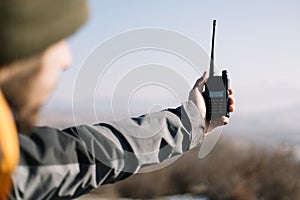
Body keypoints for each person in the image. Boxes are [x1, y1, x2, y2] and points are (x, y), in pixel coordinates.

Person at [0, 0, 235, 199]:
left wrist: (192, 121)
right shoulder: (6, 165)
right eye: (56, 40)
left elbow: (89, 153)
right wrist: (189, 123)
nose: (67, 60)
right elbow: (88, 156)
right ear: (17, 47)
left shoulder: (9, 160)